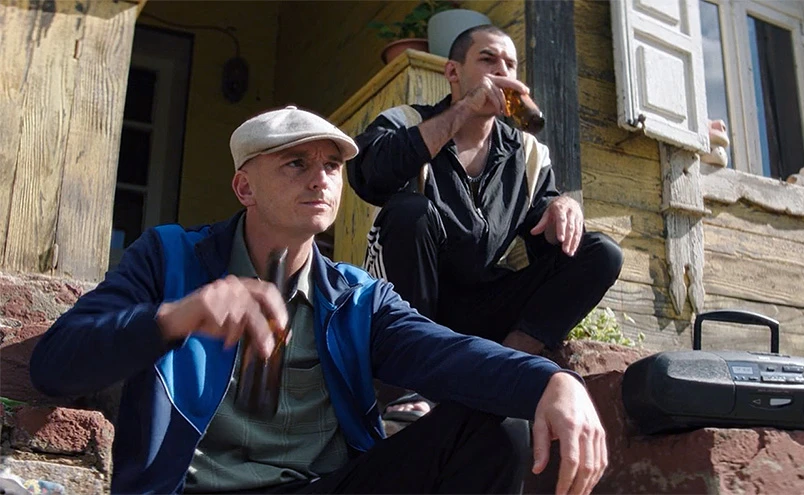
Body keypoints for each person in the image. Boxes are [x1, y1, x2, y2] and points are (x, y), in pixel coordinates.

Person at [28, 105, 607, 495]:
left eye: (332, 165)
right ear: (245, 186)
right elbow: (54, 366)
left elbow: (446, 355)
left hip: (325, 488)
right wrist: (179, 316)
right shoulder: (168, 257)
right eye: (296, 163)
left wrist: (550, 382)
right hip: (193, 488)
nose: (321, 179)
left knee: (495, 429)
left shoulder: (357, 297)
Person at [347, 25, 624, 419]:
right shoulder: (405, 121)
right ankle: (409, 385)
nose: (502, 71)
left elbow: (541, 230)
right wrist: (463, 110)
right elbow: (368, 176)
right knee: (411, 211)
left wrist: (563, 207)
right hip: (411, 304)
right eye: (488, 59)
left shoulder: (527, 151)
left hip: (484, 306)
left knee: (601, 252)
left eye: (510, 64)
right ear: (453, 72)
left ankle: (501, 368)